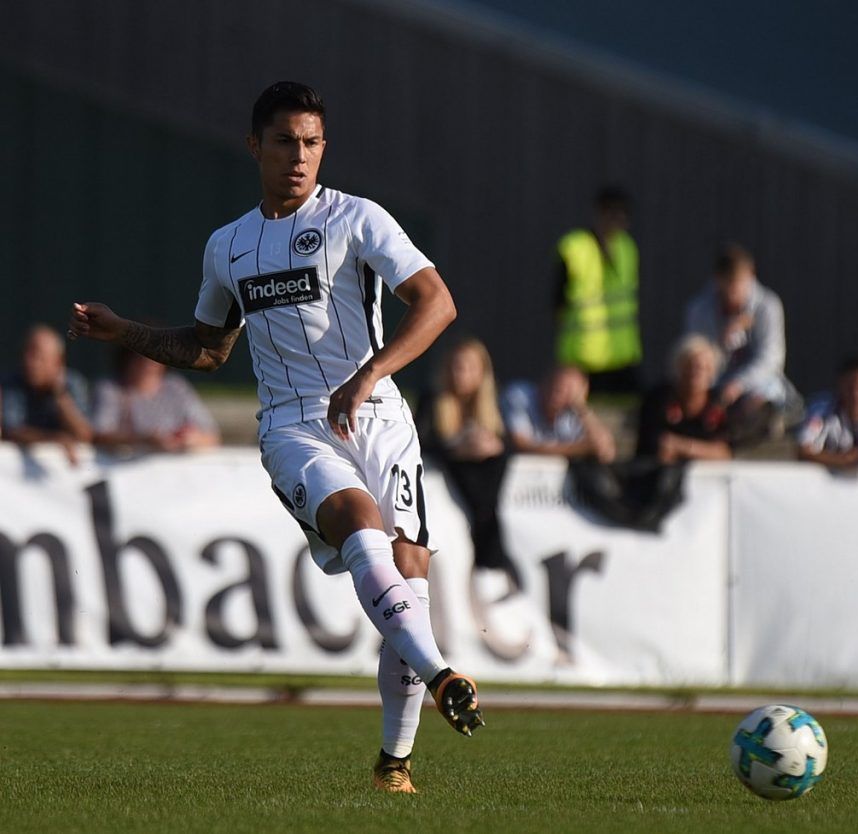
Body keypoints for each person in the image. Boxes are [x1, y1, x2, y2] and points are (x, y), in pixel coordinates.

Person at [68, 81, 481, 794]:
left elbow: (437, 302)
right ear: (254, 145)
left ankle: (394, 766)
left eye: (312, 142)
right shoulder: (228, 246)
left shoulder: (358, 219)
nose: (300, 156)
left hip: (380, 419)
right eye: (286, 141)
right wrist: (123, 331)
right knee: (360, 524)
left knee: (409, 578)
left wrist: (371, 373)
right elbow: (207, 348)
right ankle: (443, 672)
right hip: (294, 426)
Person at [416, 338, 520, 588]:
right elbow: (419, 442)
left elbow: (510, 446)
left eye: (469, 367)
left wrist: (493, 447)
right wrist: (457, 449)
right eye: (455, 367)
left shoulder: (495, 406)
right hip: (444, 497)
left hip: (483, 506)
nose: (460, 374)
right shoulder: (433, 401)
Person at [683, 243, 799, 437]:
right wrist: (722, 340)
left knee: (763, 396)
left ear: (751, 276)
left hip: (755, 383)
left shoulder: (768, 306)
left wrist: (738, 385)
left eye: (737, 286)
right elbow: (696, 356)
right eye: (726, 287)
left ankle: (762, 423)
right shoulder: (699, 309)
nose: (732, 295)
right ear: (717, 280)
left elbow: (771, 359)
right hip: (715, 381)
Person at [554, 186, 642, 392]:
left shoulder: (627, 248)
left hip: (621, 357)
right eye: (612, 213)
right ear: (600, 213)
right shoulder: (574, 247)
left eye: (623, 214)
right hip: (582, 358)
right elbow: (557, 304)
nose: (619, 220)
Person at [92, 345, 220, 453]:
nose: (149, 365)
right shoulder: (110, 389)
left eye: (155, 358)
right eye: (142, 358)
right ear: (127, 360)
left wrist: (192, 439)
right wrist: (144, 440)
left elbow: (212, 435)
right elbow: (99, 435)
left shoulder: (176, 387)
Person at [0, 324, 92, 462]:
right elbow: (12, 430)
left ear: (58, 362)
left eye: (38, 356)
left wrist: (60, 395)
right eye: (26, 353)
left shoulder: (72, 383)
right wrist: (53, 439)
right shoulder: (9, 384)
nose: (29, 362)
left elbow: (84, 434)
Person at [636, 335, 732, 463]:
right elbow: (659, 445)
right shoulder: (660, 399)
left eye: (705, 368)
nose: (697, 372)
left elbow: (724, 453)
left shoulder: (718, 403)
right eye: (691, 366)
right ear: (679, 367)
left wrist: (683, 447)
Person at [501, 366, 616, 462]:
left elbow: (606, 453)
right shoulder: (520, 396)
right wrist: (581, 449)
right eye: (555, 385)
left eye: (568, 390)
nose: (557, 393)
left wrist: (582, 409)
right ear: (543, 383)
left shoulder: (575, 411)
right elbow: (522, 446)